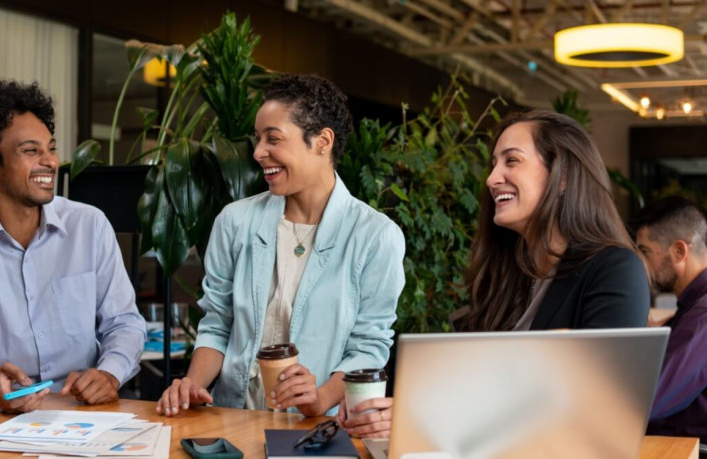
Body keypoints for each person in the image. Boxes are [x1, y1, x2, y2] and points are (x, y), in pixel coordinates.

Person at [337, 109, 650, 438]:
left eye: (511, 161)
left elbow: (592, 402)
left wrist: (423, 414)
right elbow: (467, 377)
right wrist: (376, 395)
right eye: (493, 164)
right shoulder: (508, 274)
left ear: (563, 177)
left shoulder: (615, 270)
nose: (491, 178)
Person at [156, 74, 405, 417]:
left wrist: (319, 398)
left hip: (315, 432)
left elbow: (369, 345)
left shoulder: (376, 236)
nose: (259, 153)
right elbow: (218, 324)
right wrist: (192, 386)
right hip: (233, 421)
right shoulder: (234, 222)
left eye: (273, 139)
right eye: (258, 139)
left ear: (322, 141)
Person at [0, 81, 146, 413]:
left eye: (51, 148)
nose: (50, 161)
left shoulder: (89, 225)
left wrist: (110, 373)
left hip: (89, 415)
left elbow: (124, 323)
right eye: (31, 151)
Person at [633, 196, 707, 442]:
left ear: (678, 251)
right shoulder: (691, 309)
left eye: (644, 252)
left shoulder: (702, 315)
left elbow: (650, 401)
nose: (638, 263)